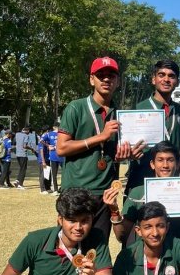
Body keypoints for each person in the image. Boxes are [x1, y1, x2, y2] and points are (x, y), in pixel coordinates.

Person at [57, 57, 143, 240]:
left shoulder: (120, 114)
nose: (106, 79)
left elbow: (112, 154)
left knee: (98, 247)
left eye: (111, 75)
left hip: (105, 193)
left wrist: (126, 155)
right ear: (91, 79)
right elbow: (61, 148)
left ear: (118, 81)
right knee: (72, 244)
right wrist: (101, 137)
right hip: (76, 190)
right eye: (100, 75)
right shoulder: (76, 107)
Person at [104, 141, 180, 246]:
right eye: (160, 160)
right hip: (144, 253)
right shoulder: (137, 193)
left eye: (170, 160)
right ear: (152, 164)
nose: (165, 165)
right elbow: (121, 236)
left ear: (177, 164)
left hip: (173, 254)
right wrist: (114, 211)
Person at [127, 60, 180, 191]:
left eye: (171, 76)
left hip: (172, 182)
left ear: (177, 82)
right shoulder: (137, 109)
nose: (166, 79)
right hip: (141, 180)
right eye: (161, 75)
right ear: (153, 79)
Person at [42, 124, 64, 194]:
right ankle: (56, 189)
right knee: (55, 174)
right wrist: (48, 145)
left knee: (63, 173)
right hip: (54, 156)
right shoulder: (49, 134)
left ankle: (61, 188)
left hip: (62, 156)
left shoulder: (62, 133)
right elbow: (41, 140)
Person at [13, 125, 35, 189]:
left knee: (21, 168)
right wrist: (31, 149)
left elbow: (14, 143)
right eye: (29, 132)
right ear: (27, 131)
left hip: (18, 154)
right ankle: (20, 184)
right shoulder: (26, 136)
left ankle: (17, 180)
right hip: (23, 154)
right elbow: (24, 146)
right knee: (23, 169)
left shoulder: (17, 134)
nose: (29, 133)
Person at [35, 127, 51, 194]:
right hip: (42, 159)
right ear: (47, 131)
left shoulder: (47, 139)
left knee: (47, 173)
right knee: (43, 174)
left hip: (47, 158)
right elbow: (41, 151)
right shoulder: (42, 139)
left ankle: (47, 187)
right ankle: (42, 189)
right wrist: (43, 161)